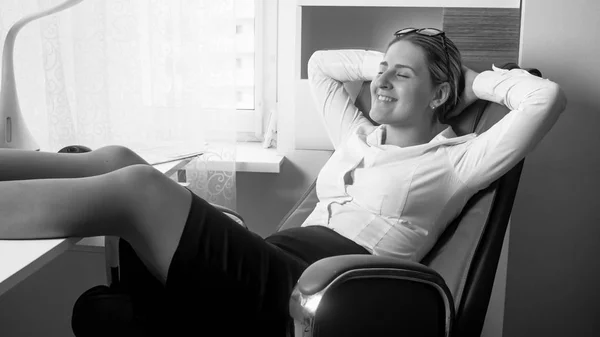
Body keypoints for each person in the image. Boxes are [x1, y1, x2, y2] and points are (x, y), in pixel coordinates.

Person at [0, 28, 566, 336]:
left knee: (137, 191)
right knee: (124, 158)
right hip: (272, 256)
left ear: (440, 95)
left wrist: (467, 81)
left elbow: (546, 98)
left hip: (313, 289)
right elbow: (321, 63)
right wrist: (394, 62)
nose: (383, 79)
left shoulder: (458, 158)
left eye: (403, 73)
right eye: (381, 69)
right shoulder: (359, 136)